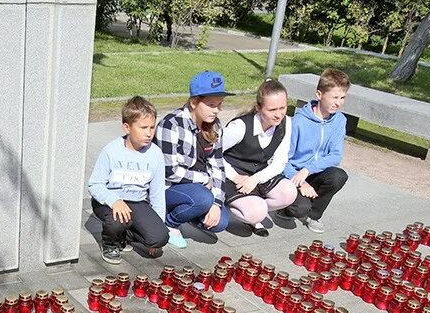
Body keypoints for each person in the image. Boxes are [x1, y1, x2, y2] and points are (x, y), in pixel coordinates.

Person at [154, 71, 233, 249]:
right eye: (211, 105)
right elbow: (169, 172)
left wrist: (217, 203)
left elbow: (218, 166)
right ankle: (170, 221)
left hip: (197, 188)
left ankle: (190, 211)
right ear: (194, 102)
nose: (216, 110)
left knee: (221, 221)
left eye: (220, 105)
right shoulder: (171, 124)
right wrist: (204, 179)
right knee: (202, 198)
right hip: (168, 187)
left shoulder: (215, 125)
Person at [87, 96, 170, 264]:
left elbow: (157, 193)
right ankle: (111, 243)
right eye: (143, 127)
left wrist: (157, 225)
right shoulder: (111, 151)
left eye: (152, 127)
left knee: (159, 238)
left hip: (137, 202)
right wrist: (114, 201)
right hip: (108, 202)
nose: (149, 133)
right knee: (118, 220)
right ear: (127, 127)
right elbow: (94, 185)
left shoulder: (155, 154)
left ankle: (126, 234)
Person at [221, 79, 298, 237]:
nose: (278, 115)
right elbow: (213, 154)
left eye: (283, 108)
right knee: (256, 212)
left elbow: (280, 161)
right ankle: (227, 207)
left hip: (257, 173)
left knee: (289, 192)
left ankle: (253, 207)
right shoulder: (239, 127)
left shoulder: (286, 123)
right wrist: (235, 176)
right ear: (258, 108)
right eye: (272, 110)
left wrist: (255, 179)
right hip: (232, 173)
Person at [278, 68, 351, 233]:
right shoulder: (298, 122)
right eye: (334, 97)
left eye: (342, 97)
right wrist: (300, 181)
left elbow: (335, 155)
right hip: (293, 174)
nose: (338, 102)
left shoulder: (340, 120)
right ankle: (285, 208)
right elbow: (284, 159)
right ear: (319, 95)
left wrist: (308, 170)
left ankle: (313, 215)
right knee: (298, 209)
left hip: (315, 172)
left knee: (339, 176)